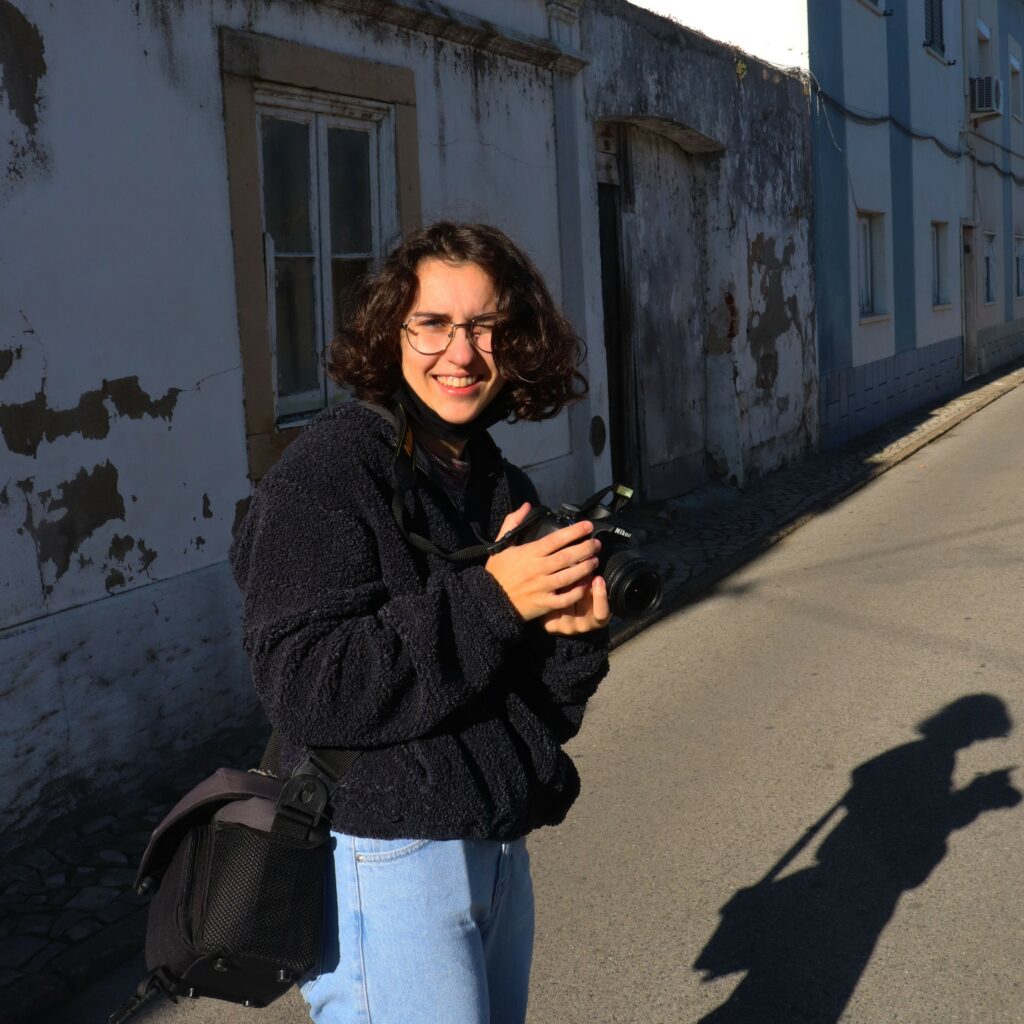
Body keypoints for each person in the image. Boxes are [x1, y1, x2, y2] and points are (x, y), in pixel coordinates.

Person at [229, 221, 612, 1024]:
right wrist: (497, 600)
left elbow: (528, 709)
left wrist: (571, 640)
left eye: (486, 327)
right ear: (389, 332)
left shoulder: (493, 480)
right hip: (386, 857)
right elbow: (307, 685)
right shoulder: (328, 471)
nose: (461, 354)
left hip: (493, 846)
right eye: (433, 324)